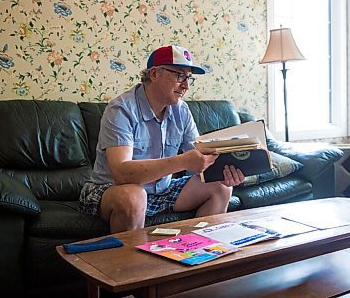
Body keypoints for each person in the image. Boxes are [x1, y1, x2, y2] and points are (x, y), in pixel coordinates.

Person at [79, 45, 245, 233]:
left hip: (162, 190)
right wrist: (183, 160)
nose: (186, 85)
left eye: (189, 77)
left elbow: (198, 157)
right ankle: (129, 263)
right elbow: (121, 173)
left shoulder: (181, 110)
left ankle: (197, 253)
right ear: (154, 74)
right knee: (133, 196)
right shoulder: (121, 109)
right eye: (179, 75)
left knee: (220, 187)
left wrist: (224, 173)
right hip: (111, 190)